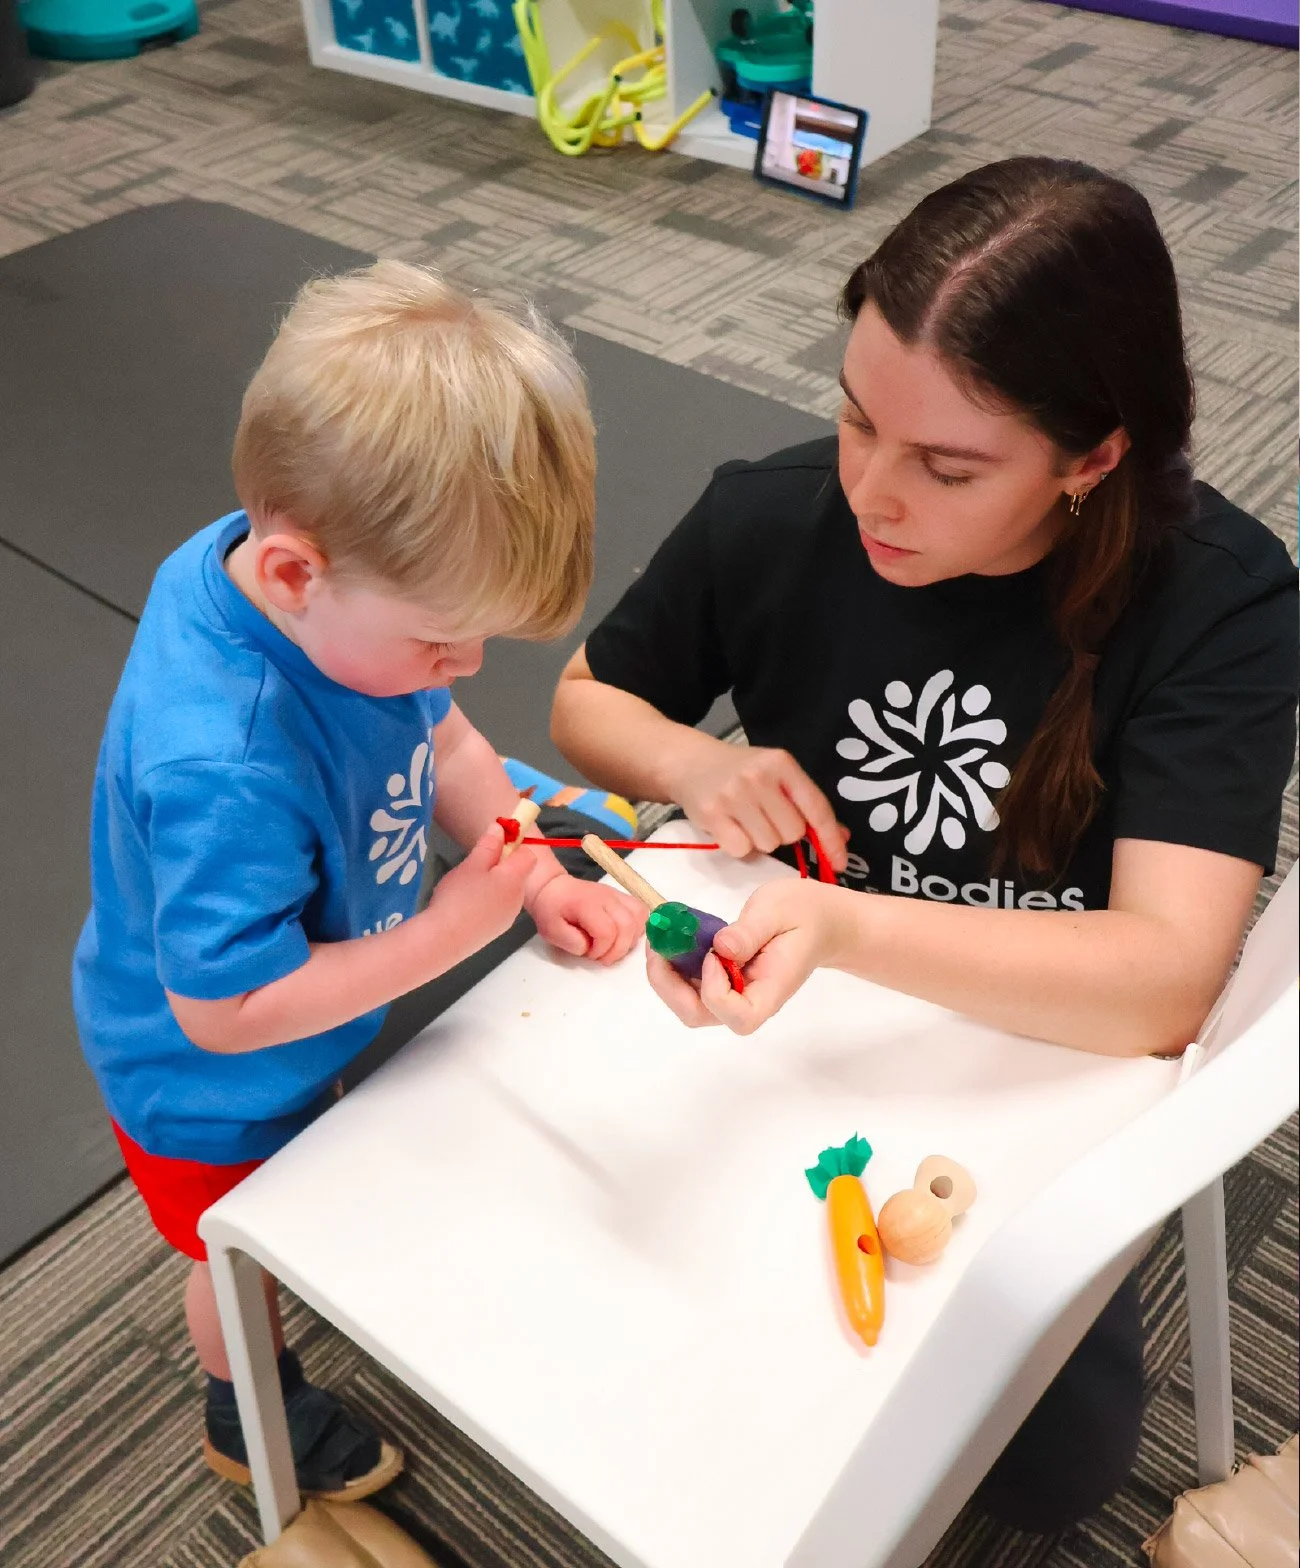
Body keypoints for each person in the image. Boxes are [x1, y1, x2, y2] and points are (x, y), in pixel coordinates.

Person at [551, 158, 1298, 1530]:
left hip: (1029, 1072)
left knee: (1038, 1474)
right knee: (615, 1303)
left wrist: (844, 926)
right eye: (854, 420)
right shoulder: (777, 512)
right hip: (784, 1036)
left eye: (948, 466)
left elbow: (1165, 981)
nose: (873, 494)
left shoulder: (1219, 602)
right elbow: (587, 700)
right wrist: (696, 761)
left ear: (1094, 457)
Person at [73, 262, 644, 1503]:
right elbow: (226, 1008)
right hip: (205, 1080)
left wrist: (534, 876)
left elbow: (442, 740)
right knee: (243, 1258)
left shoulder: (334, 597)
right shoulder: (222, 762)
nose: (466, 664)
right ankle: (246, 1405)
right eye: (441, 638)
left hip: (314, 1004)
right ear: (291, 575)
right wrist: (453, 924)